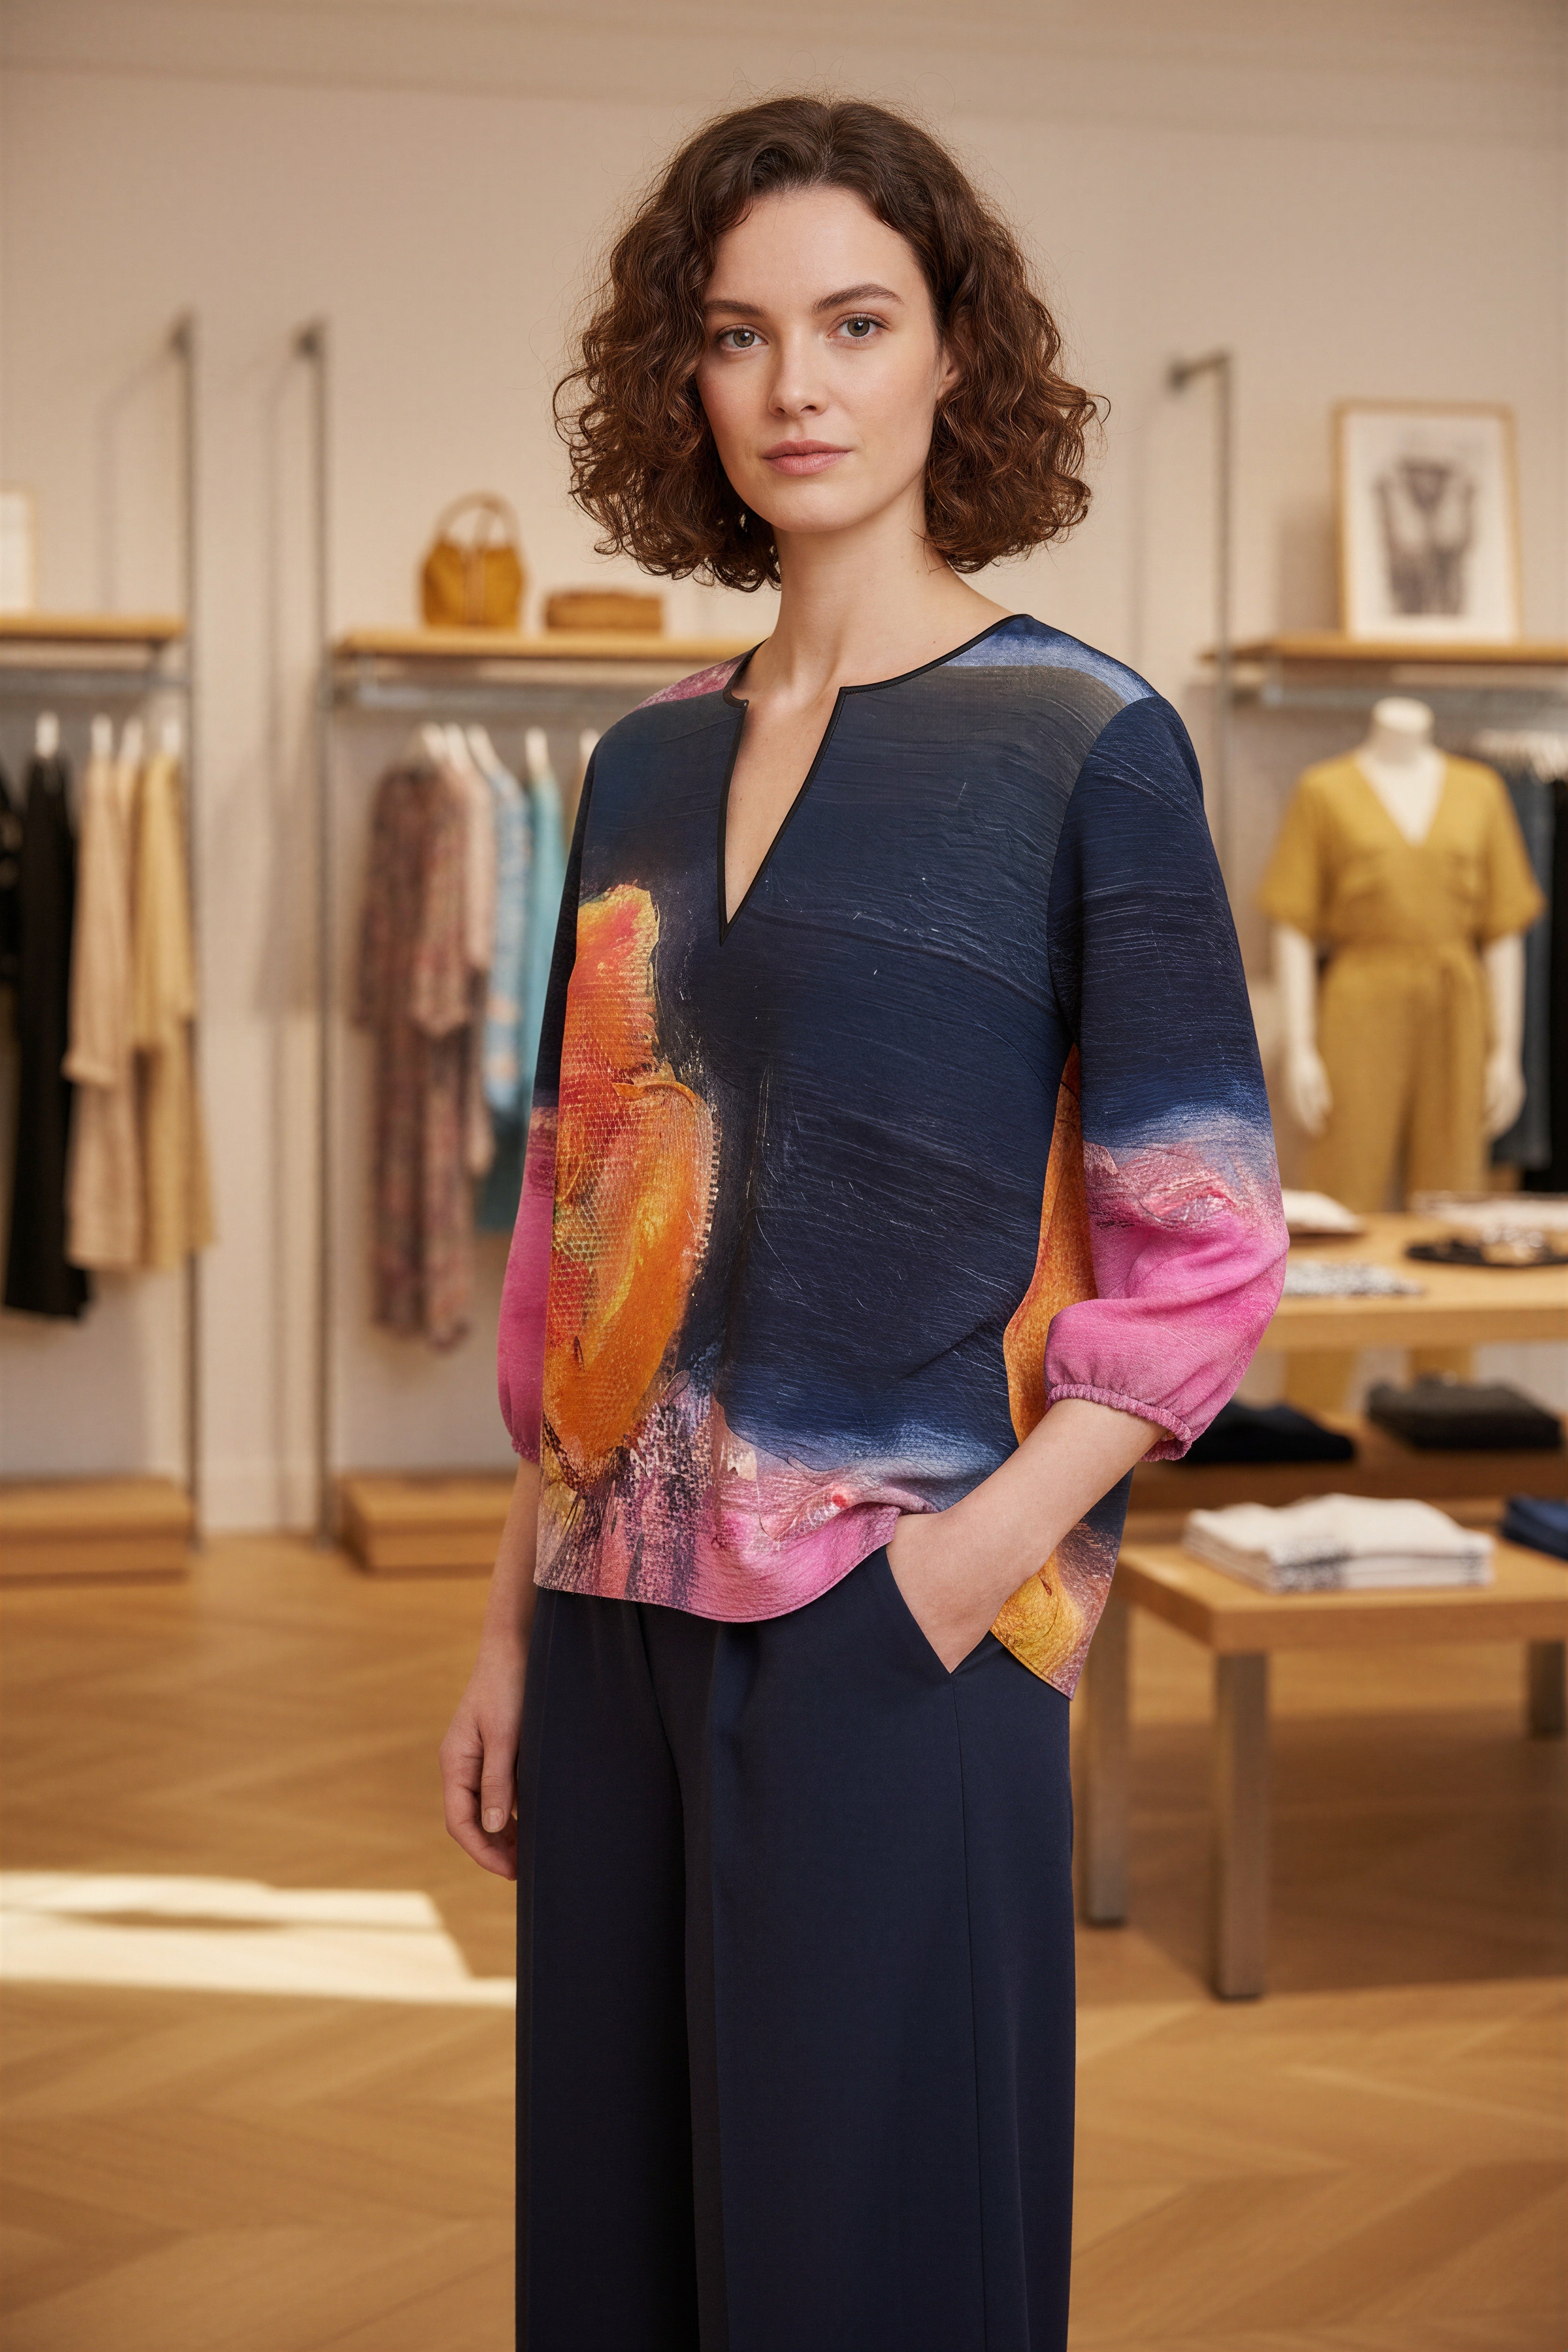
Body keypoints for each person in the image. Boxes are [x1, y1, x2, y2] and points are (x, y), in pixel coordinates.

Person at [440, 94, 1288, 2352]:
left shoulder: (1081, 741)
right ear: (682, 386)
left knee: (870, 2265)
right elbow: (579, 1224)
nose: (795, 385)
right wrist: (512, 1624)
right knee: (622, 2257)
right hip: (613, 1616)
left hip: (892, 1629)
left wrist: (966, 1561)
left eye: (852, 322)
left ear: (949, 361)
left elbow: (1201, 1245)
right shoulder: (630, 763)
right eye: (738, 335)